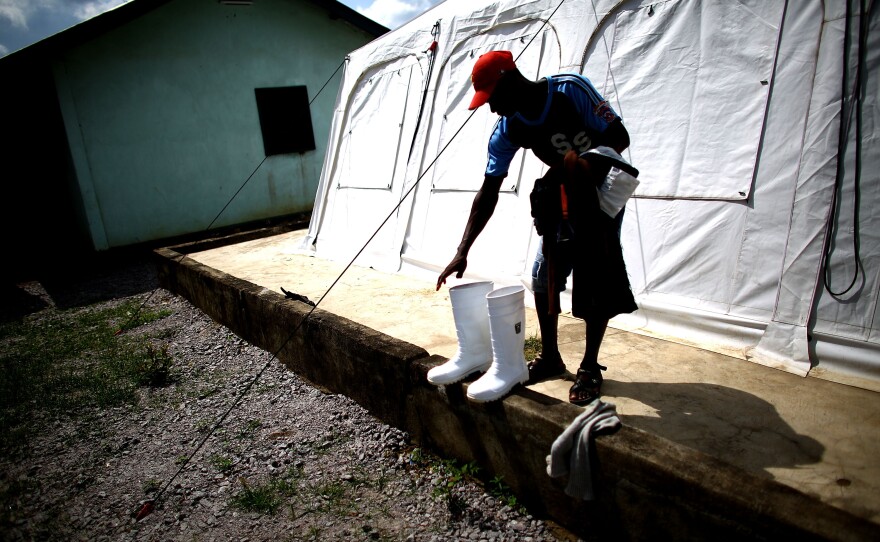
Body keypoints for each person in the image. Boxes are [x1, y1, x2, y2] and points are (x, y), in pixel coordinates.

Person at [435, 50, 638, 406]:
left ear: (510, 78)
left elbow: (619, 137)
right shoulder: (509, 127)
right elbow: (489, 190)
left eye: (493, 98)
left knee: (595, 273)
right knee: (543, 274)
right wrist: (462, 250)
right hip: (560, 197)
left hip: (599, 193)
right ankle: (550, 357)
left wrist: (574, 167)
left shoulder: (568, 90)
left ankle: (589, 367)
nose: (493, 109)